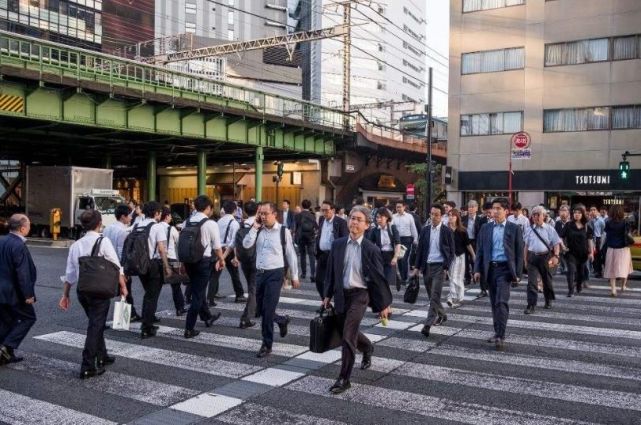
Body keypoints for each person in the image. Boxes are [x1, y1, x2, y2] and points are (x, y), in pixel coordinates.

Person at [322, 205, 392, 394]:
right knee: (347, 331)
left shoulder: (371, 249)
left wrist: (384, 304)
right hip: (341, 294)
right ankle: (367, 347)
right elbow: (331, 272)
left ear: (367, 225)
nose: (353, 222)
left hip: (360, 295)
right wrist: (327, 295)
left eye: (359, 219)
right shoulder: (338, 244)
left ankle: (344, 378)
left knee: (347, 336)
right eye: (352, 218)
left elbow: (378, 278)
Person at [59, 210, 128, 378]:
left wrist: (65, 295)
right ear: (99, 224)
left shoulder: (76, 245)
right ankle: (87, 365)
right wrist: (123, 287)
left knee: (95, 323)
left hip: (83, 291)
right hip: (100, 290)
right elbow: (116, 266)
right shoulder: (103, 241)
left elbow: (70, 274)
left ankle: (102, 355)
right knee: (95, 326)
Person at [243, 202, 300, 358]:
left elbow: (290, 254)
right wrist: (254, 227)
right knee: (260, 310)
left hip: (275, 274)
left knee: (267, 313)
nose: (262, 216)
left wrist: (294, 275)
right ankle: (281, 320)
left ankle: (266, 345)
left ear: (275, 214)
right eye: (260, 213)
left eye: (265, 213)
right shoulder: (258, 229)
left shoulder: (283, 231)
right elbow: (246, 244)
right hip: (259, 273)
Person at [474, 198, 523, 352]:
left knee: (502, 302)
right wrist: (476, 270)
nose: (494, 211)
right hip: (491, 269)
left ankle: (501, 335)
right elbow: (480, 250)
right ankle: (497, 332)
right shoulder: (485, 228)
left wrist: (518, 274)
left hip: (505, 270)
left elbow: (519, 253)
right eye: (493, 209)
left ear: (506, 211)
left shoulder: (514, 228)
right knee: (494, 303)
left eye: (498, 208)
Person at [182, 195, 225, 339]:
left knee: (197, 290)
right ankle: (189, 328)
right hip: (203, 262)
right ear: (208, 208)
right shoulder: (211, 223)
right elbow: (217, 246)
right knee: (198, 295)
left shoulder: (186, 222)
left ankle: (207, 317)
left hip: (188, 261)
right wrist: (221, 259)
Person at [412, 204, 455, 338]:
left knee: (435, 295)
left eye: (436, 215)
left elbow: (451, 252)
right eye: (432, 214)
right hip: (427, 266)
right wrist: (416, 268)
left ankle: (428, 324)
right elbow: (420, 250)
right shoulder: (425, 230)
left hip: (439, 267)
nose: (434, 217)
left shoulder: (447, 231)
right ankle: (442, 314)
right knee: (432, 296)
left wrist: (446, 267)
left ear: (441, 216)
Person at [0, 214, 37, 366]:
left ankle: (6, 354)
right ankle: (6, 346)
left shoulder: (1, 240)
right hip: (13, 292)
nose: (30, 227)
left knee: (6, 320)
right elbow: (22, 272)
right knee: (29, 318)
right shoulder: (19, 245)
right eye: (29, 225)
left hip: (2, 292)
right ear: (22, 228)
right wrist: (28, 294)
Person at [134, 201, 172, 339]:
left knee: (148, 294)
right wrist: (167, 266)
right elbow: (161, 249)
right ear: (156, 213)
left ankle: (147, 322)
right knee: (151, 297)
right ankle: (147, 327)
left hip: (140, 264)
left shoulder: (137, 225)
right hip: (153, 264)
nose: (160, 214)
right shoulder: (157, 227)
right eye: (159, 212)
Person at [103, 204, 140, 322]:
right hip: (118, 266)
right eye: (129, 216)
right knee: (125, 291)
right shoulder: (123, 231)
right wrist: (124, 271)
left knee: (107, 293)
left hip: (106, 265)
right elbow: (121, 253)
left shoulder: (107, 228)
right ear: (123, 217)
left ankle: (130, 313)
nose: (130, 218)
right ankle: (126, 317)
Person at [523, 205, 561, 313]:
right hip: (532, 257)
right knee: (532, 282)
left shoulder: (549, 229)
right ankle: (531, 305)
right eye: (534, 215)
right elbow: (526, 246)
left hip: (545, 257)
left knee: (547, 280)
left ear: (543, 216)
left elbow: (556, 243)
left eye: (538, 215)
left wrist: (556, 256)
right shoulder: (529, 229)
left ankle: (548, 300)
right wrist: (525, 260)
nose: (535, 217)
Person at [208, 200, 246, 305]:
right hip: (228, 250)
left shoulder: (219, 221)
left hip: (217, 249)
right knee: (234, 273)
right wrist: (236, 257)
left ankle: (210, 298)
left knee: (215, 275)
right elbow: (233, 242)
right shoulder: (234, 223)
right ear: (235, 210)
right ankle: (239, 295)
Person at [315, 201, 348, 299]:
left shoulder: (340, 222)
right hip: (322, 254)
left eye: (326, 210)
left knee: (333, 280)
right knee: (319, 280)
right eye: (322, 210)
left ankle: (334, 301)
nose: (324, 213)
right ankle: (325, 301)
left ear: (333, 210)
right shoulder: (321, 219)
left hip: (334, 255)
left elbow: (344, 239)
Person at [233, 200, 259, 329]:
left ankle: (256, 309)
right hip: (256, 260)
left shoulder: (241, 224)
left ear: (244, 211)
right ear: (258, 210)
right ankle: (246, 318)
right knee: (253, 289)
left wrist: (235, 257)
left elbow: (234, 243)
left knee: (251, 287)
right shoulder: (259, 224)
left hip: (244, 260)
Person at [559, 205, 594, 297]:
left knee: (580, 272)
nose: (577, 214)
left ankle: (578, 285)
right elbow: (560, 237)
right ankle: (570, 290)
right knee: (571, 270)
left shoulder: (586, 226)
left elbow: (590, 240)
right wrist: (563, 246)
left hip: (583, 253)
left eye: (579, 213)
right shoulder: (568, 225)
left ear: (583, 214)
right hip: (571, 252)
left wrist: (591, 253)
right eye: (575, 213)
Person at [159, 207, 186, 316]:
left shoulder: (155, 227)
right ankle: (180, 308)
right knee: (176, 286)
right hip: (172, 258)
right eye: (170, 216)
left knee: (156, 286)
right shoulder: (172, 229)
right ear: (167, 216)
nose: (171, 218)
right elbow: (179, 243)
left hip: (159, 259)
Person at [366, 208, 401, 291]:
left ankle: (386, 300)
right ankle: (382, 300)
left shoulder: (392, 228)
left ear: (386, 218)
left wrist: (395, 257)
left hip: (390, 257)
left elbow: (398, 243)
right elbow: (370, 244)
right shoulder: (375, 230)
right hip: (379, 256)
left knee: (387, 281)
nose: (379, 219)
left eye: (381, 217)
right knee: (380, 280)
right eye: (377, 217)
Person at [603, 205, 633, 297]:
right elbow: (628, 234)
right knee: (625, 267)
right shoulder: (625, 222)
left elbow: (606, 234)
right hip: (623, 248)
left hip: (611, 248)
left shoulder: (608, 222)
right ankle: (623, 286)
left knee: (612, 269)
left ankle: (613, 289)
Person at [447, 209, 475, 308]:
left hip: (460, 256)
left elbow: (468, 244)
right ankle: (452, 297)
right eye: (449, 215)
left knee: (458, 277)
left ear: (457, 217)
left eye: (453, 216)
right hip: (450, 257)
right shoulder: (446, 230)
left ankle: (458, 297)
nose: (451, 217)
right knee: (451, 276)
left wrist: (473, 255)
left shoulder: (462, 230)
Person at [392, 201, 419, 284]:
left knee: (404, 259)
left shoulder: (409, 216)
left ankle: (404, 278)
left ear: (404, 207)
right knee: (399, 259)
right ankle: (402, 277)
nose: (398, 209)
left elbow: (413, 228)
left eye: (400, 207)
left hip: (407, 239)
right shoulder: (393, 217)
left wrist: (415, 239)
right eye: (397, 207)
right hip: (397, 240)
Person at [295, 199, 318, 282]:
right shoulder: (312, 215)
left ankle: (303, 273)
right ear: (310, 206)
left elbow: (296, 227)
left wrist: (296, 237)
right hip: (311, 237)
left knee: (302, 255)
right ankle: (312, 274)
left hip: (301, 237)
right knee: (312, 256)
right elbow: (316, 226)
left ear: (302, 206)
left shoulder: (298, 215)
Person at [462, 200, 482, 285]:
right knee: (465, 260)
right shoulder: (464, 219)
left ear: (477, 208)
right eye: (469, 207)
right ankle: (467, 277)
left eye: (473, 207)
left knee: (475, 259)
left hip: (475, 241)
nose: (471, 208)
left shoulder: (480, 219)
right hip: (466, 241)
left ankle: (475, 275)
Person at [589, 206, 606, 278]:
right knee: (594, 255)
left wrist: (600, 240)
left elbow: (603, 230)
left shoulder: (601, 220)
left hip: (598, 238)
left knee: (598, 255)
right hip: (591, 239)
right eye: (591, 210)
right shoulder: (590, 220)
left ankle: (599, 271)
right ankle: (596, 270)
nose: (592, 211)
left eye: (594, 210)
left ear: (597, 211)